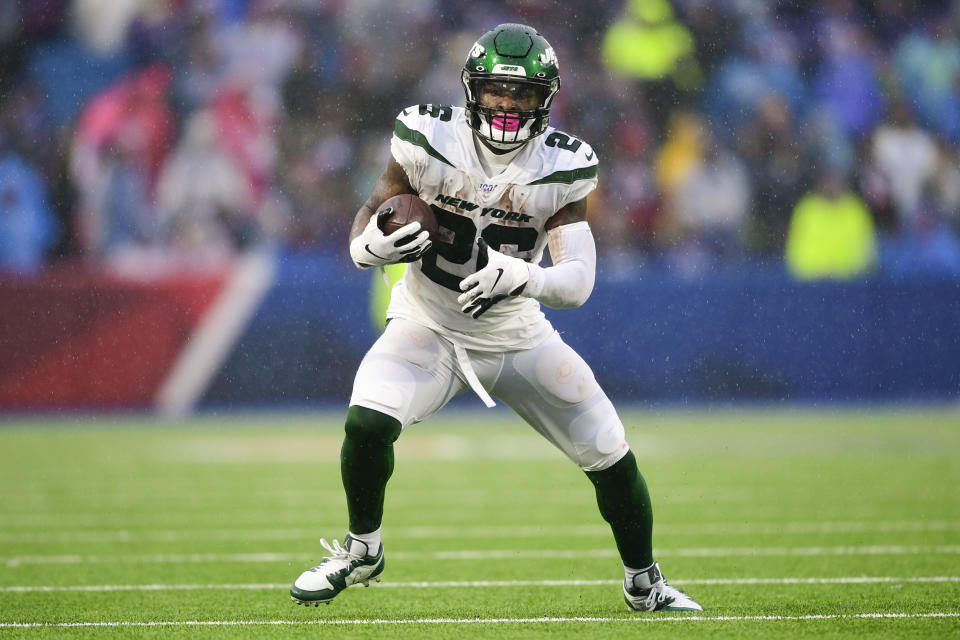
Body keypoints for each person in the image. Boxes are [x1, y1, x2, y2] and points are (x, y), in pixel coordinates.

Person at [290, 23, 702, 613]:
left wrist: (525, 277)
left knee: (610, 451)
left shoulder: (564, 164)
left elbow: (578, 280)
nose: (507, 105)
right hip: (427, 320)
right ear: (471, 90)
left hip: (514, 330)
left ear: (545, 101)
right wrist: (365, 248)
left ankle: (645, 582)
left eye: (523, 95)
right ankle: (362, 548)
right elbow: (375, 205)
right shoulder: (427, 135)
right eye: (496, 91)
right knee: (367, 422)